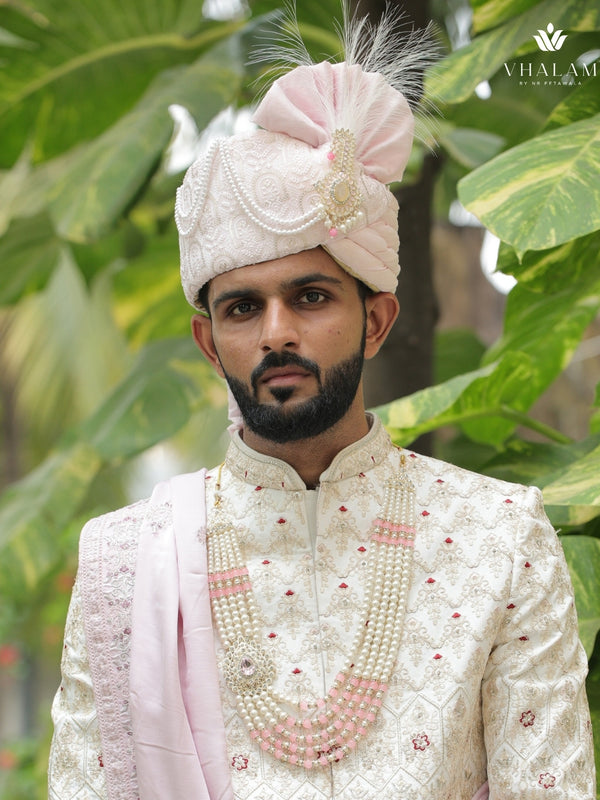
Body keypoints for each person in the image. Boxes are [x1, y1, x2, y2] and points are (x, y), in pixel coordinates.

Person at [48, 6, 595, 800]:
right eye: (241, 308)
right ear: (209, 344)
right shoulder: (127, 563)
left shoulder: (500, 538)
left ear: (375, 320)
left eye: (309, 296)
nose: (275, 333)